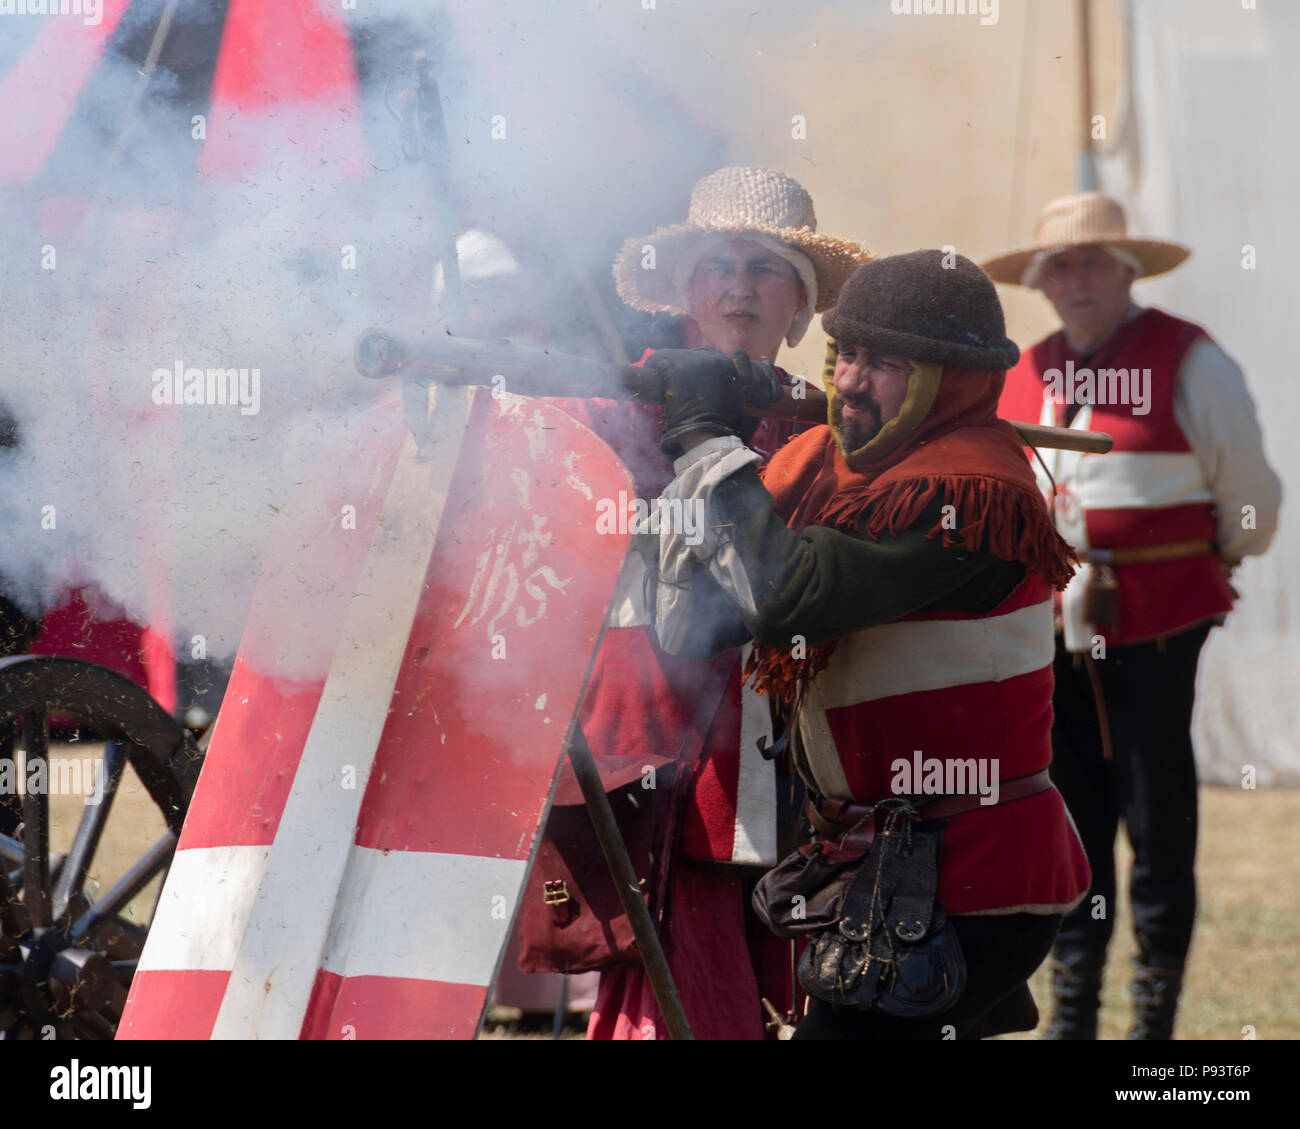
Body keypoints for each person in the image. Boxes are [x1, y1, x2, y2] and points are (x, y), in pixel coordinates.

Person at [640, 250, 1091, 1039]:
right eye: (846, 352)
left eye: (883, 363)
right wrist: (713, 463)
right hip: (882, 865)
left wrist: (711, 445)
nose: (848, 381)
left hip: (970, 873)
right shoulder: (824, 462)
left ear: (949, 378)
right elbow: (693, 626)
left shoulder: (969, 489)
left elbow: (788, 601)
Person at [544, 166, 870, 1039]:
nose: (738, 285)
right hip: (653, 745)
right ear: (686, 286)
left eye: (766, 268)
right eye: (719, 263)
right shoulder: (621, 396)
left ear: (800, 306)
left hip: (782, 754)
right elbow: (534, 450)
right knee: (680, 994)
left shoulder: (820, 422)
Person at [982, 191, 1282, 1039]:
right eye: (1059, 266)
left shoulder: (1191, 359)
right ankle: (1073, 1014)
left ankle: (1154, 1024)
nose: (1075, 279)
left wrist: (1208, 561)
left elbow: (1252, 499)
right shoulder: (1025, 369)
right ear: (1042, 283)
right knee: (1070, 816)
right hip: (1046, 633)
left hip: (1153, 628)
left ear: (1126, 271)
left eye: (1092, 262)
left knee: (1157, 815)